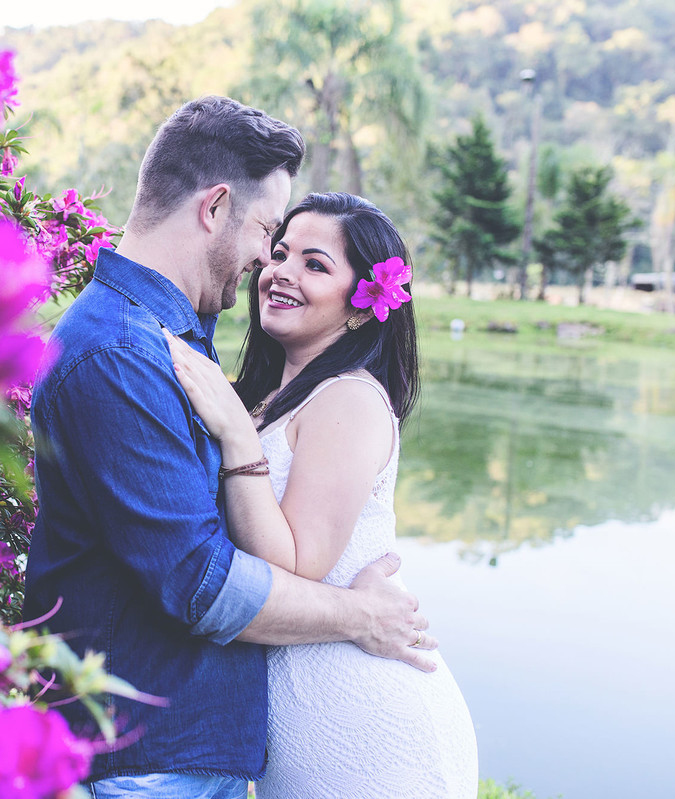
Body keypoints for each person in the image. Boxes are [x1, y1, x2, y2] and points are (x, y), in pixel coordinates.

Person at [22, 96, 438, 798]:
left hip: (185, 750)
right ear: (215, 208)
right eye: (268, 235)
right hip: (146, 759)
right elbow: (200, 582)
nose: (265, 262)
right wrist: (359, 614)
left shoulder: (176, 336)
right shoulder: (122, 355)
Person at [167, 192, 479, 797]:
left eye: (315, 264)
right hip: (304, 710)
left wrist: (234, 433)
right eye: (279, 252)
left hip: (369, 722)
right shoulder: (275, 396)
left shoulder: (350, 400)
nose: (281, 273)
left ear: (362, 307)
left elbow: (293, 565)